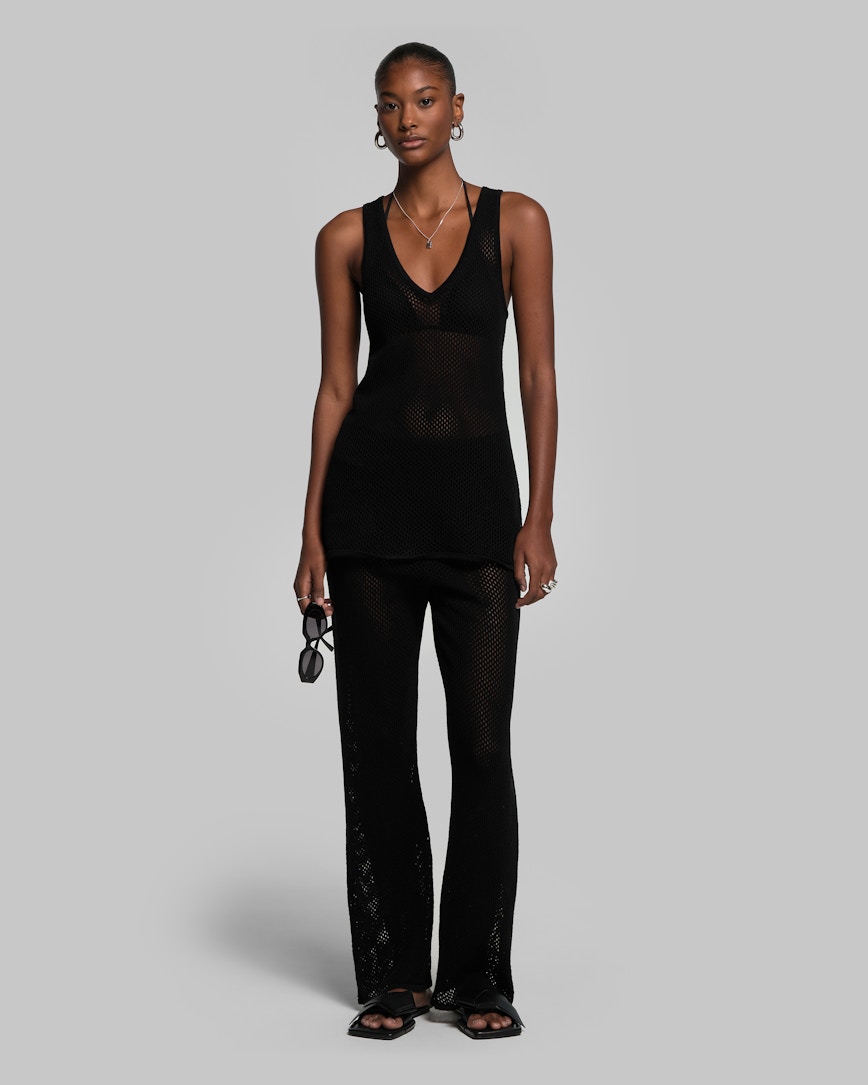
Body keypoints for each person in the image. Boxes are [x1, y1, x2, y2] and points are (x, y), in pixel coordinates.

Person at [293, 41, 558, 1040]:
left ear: (456, 108)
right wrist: (311, 531)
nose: (407, 117)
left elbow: (537, 374)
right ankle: (396, 974)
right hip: (368, 518)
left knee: (481, 745)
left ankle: (479, 975)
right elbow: (335, 387)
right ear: (378, 118)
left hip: (479, 516)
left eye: (425, 99)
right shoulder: (345, 238)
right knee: (378, 746)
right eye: (390, 104)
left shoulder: (517, 221)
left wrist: (539, 514)